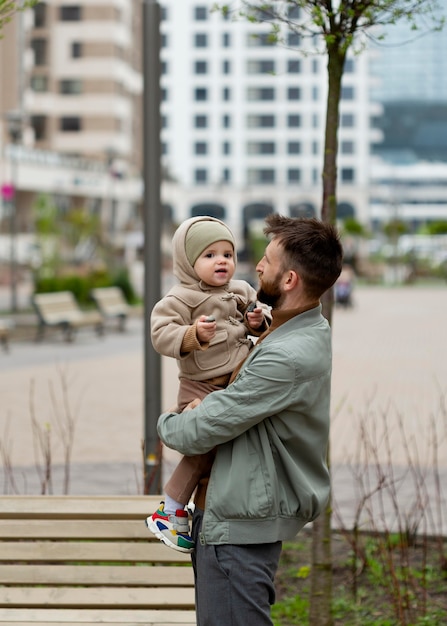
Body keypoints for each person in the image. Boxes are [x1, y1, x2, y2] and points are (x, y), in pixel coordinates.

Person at [156, 214, 343, 626]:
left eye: (268, 260)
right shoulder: (294, 329)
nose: (256, 266)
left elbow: (201, 429)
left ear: (290, 279)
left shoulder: (285, 355)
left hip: (238, 526)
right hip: (234, 513)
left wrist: (168, 423)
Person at [146, 215, 271, 553]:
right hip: (199, 387)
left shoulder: (241, 291)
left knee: (220, 450)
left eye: (227, 255)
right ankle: (169, 509)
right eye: (210, 255)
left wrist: (256, 322)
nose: (222, 262)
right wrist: (192, 334)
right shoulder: (179, 299)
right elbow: (160, 334)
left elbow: (260, 321)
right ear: (188, 262)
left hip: (233, 384)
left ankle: (192, 510)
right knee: (205, 447)